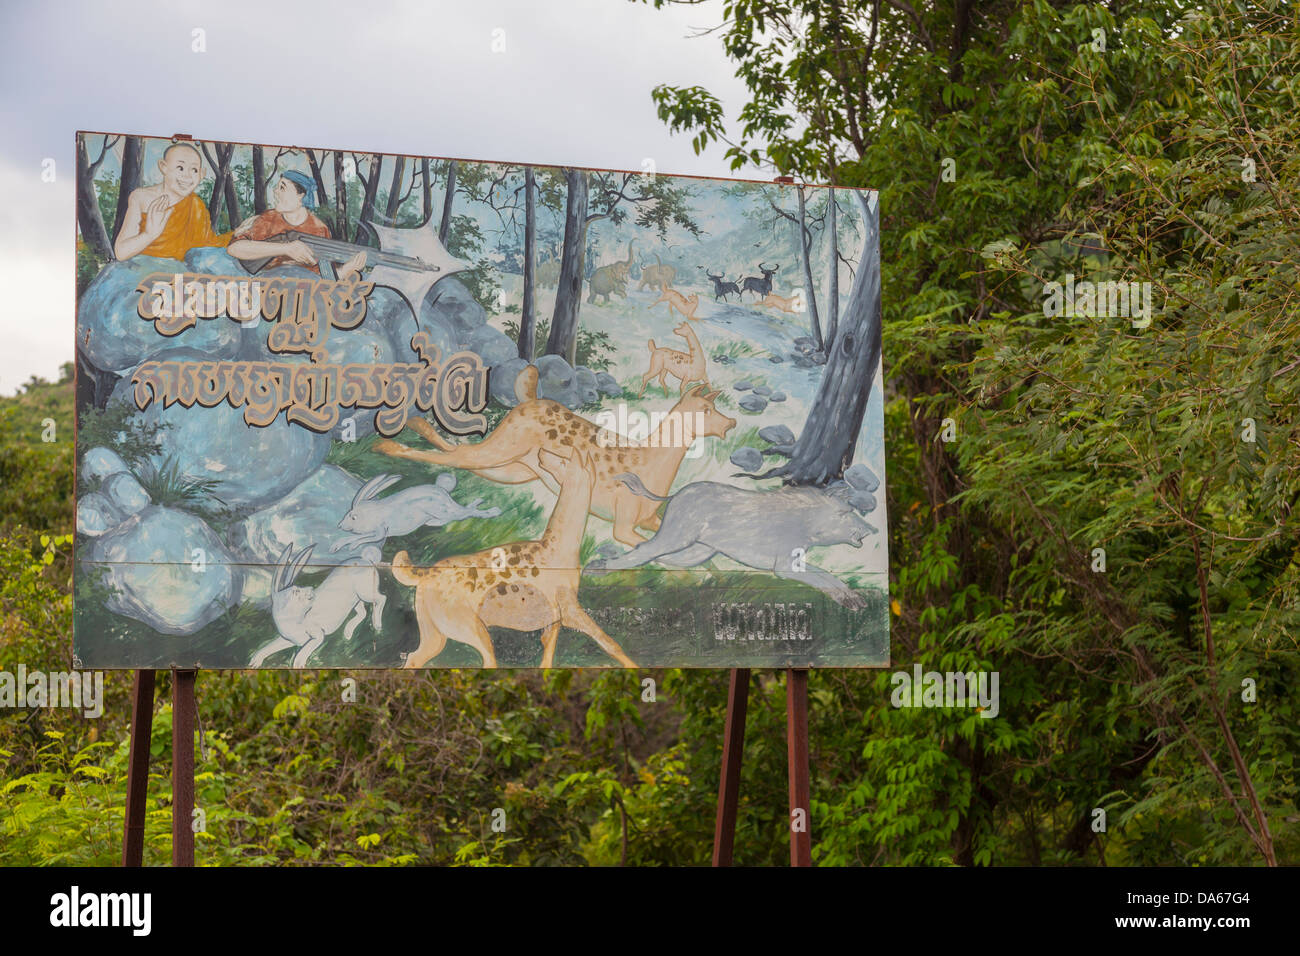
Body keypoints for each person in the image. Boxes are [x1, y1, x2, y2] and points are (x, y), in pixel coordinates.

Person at [113, 142, 233, 260]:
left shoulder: (196, 205)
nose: (187, 176)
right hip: (142, 269)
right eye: (180, 168)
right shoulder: (141, 197)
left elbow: (208, 245)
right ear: (163, 167)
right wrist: (149, 234)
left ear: (201, 174)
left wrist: (239, 234)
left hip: (180, 272)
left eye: (194, 170)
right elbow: (120, 252)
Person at [226, 170, 340, 275]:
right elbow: (234, 248)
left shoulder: (319, 229)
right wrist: (286, 248)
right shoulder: (268, 218)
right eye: (277, 187)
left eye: (282, 188)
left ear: (301, 195)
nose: (275, 191)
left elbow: (325, 276)